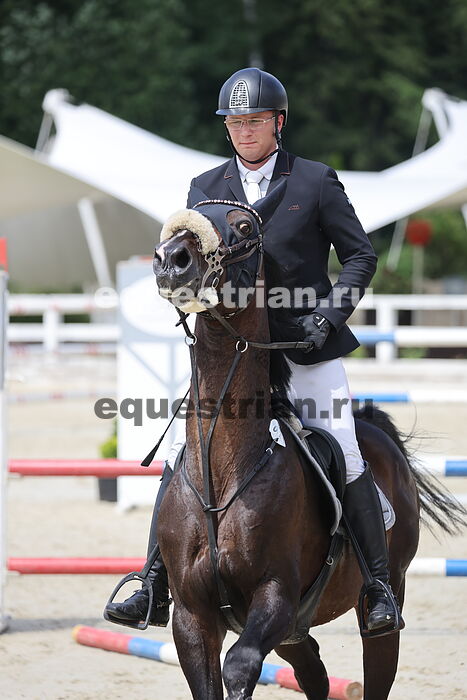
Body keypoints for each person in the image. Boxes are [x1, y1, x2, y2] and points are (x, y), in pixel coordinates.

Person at [105, 67, 403, 636]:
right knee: (179, 450)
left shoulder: (314, 181)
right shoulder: (205, 188)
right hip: (232, 357)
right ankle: (153, 585)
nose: (245, 131)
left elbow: (360, 256)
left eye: (255, 121)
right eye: (236, 122)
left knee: (345, 448)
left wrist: (329, 315)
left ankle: (377, 586)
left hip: (303, 346)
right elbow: (193, 263)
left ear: (278, 122)